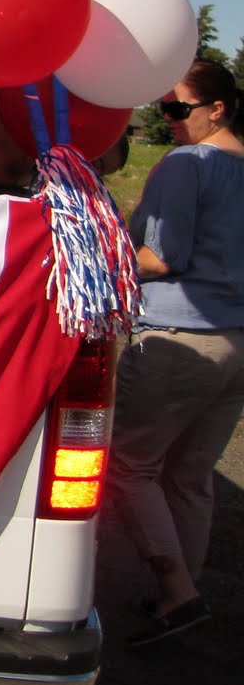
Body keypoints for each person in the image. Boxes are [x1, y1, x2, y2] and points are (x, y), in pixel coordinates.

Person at [109, 59, 244, 646]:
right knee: (190, 475)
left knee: (128, 466)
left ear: (216, 110)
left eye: (177, 109)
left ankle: (177, 592)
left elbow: (162, 258)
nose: (167, 120)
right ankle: (179, 594)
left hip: (179, 339)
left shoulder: (189, 164)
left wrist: (101, 257)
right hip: (235, 339)